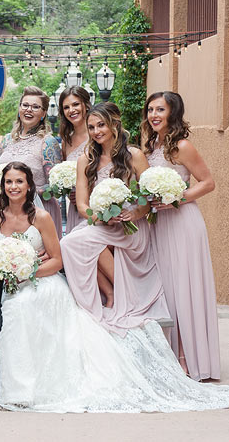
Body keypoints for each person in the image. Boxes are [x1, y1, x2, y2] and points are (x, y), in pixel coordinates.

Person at [0, 163, 229, 412]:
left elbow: (57, 260)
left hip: (43, 281)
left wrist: (27, 272)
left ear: (30, 186)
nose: (13, 187)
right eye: (8, 182)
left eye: (19, 181)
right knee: (17, 309)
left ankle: (35, 385)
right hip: (13, 285)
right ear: (2, 186)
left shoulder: (41, 217)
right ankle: (21, 386)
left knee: (25, 306)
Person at [61, 102, 168, 331]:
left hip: (132, 227)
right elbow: (81, 205)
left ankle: (124, 293)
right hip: (103, 225)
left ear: (114, 125)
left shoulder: (135, 155)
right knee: (72, 241)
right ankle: (113, 292)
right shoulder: (85, 160)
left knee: (84, 239)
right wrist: (102, 218)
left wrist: (134, 212)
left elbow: (148, 200)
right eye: (91, 127)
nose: (96, 131)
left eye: (101, 125)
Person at [142, 91, 221, 381]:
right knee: (167, 288)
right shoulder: (151, 146)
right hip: (159, 224)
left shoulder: (183, 146)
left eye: (160, 110)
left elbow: (208, 182)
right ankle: (170, 354)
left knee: (185, 287)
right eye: (150, 110)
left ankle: (188, 357)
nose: (153, 115)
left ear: (172, 113)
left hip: (183, 223)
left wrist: (178, 198)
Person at [0, 87, 63, 238]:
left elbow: (57, 186)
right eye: (25, 105)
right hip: (8, 211)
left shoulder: (47, 142)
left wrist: (27, 192)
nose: (29, 110)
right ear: (19, 108)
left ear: (43, 113)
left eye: (35, 107)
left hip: (37, 212)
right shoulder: (7, 140)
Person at [58, 86, 92, 234]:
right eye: (66, 107)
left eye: (76, 104)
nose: (71, 110)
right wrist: (67, 191)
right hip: (75, 208)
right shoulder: (67, 141)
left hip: (98, 204)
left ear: (86, 104)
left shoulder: (98, 134)